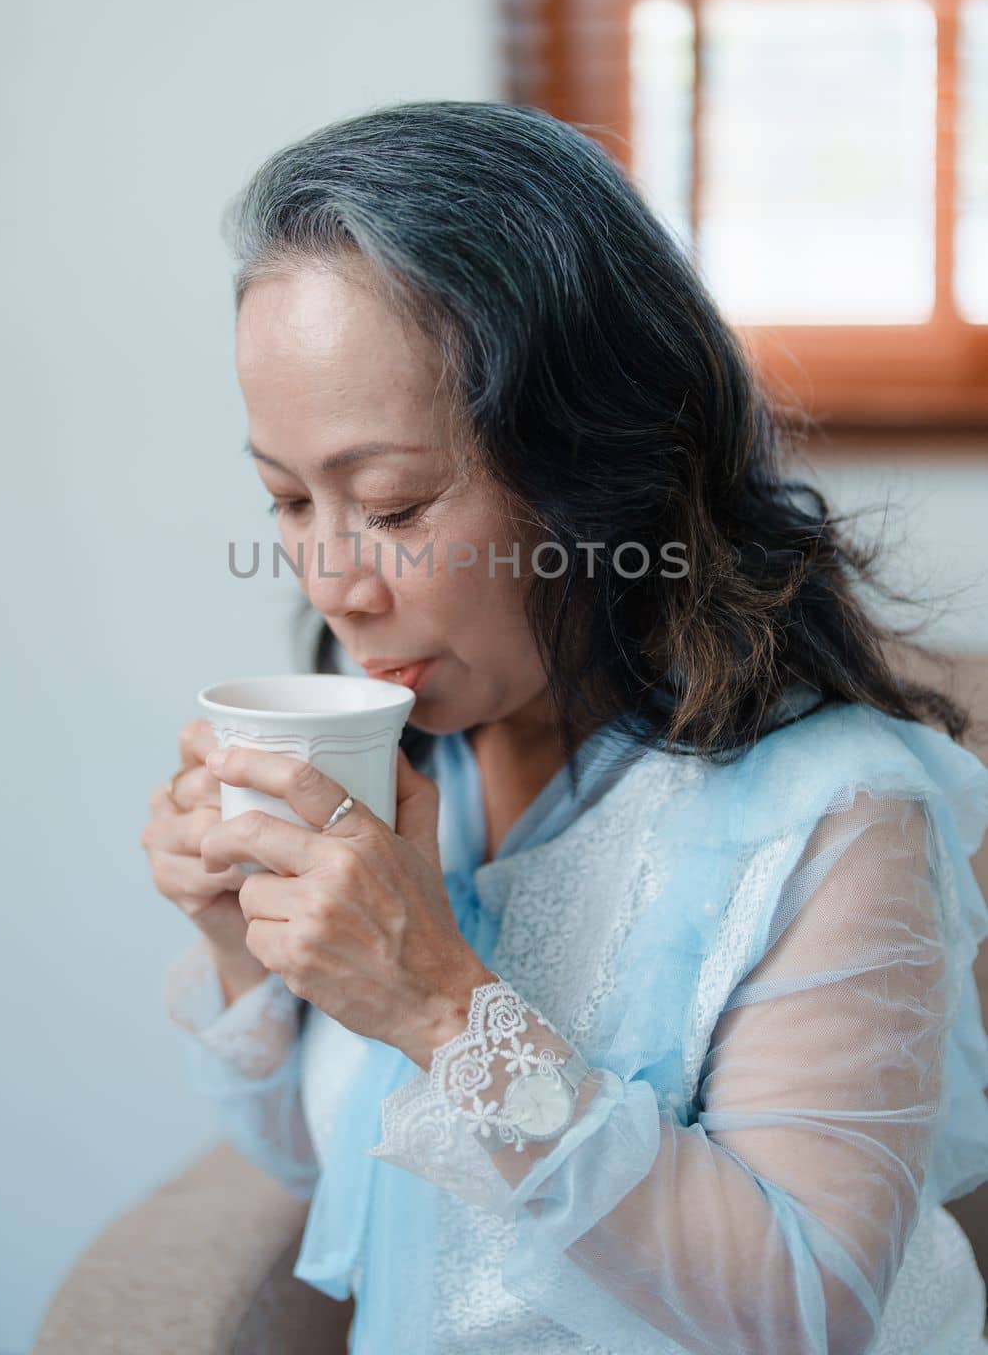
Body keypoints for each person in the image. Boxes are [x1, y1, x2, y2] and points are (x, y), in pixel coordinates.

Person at [142, 101, 988, 1354]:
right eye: (284, 497)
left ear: (599, 466)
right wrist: (246, 955)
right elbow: (337, 1180)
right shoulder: (412, 752)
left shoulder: (830, 817)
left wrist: (441, 1005)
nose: (330, 578)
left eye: (391, 501)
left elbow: (809, 1311)